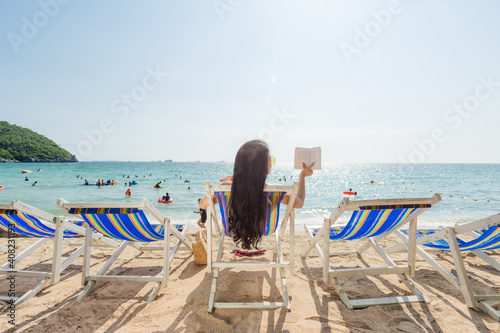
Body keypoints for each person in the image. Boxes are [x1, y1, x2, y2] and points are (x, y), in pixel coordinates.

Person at [198, 140, 314, 250]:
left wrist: (224, 183)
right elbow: (299, 203)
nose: (272, 163)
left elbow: (202, 203)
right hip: (265, 230)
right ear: (265, 166)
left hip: (232, 231)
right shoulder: (275, 191)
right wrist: (302, 177)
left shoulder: (226, 188)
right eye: (271, 160)